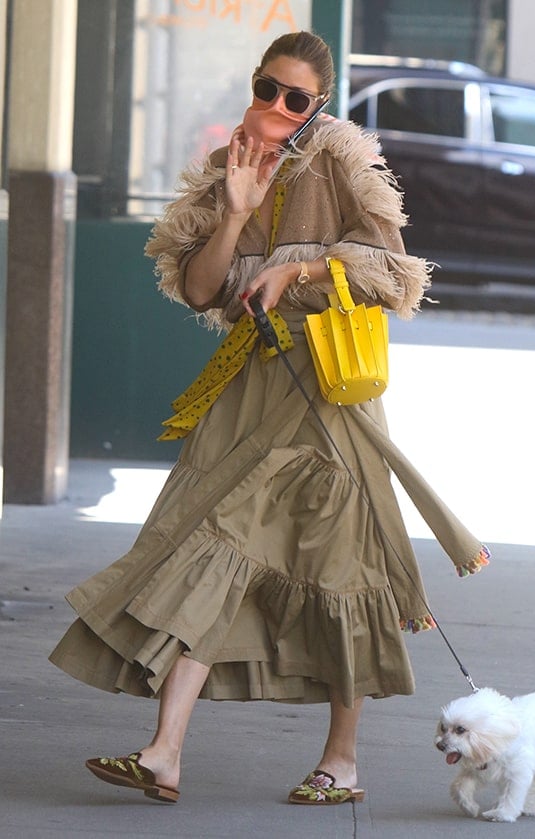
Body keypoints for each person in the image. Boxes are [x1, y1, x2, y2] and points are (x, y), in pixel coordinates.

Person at [49, 30, 489, 806]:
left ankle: (342, 762)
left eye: (296, 97)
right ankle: (165, 750)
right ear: (254, 85)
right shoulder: (227, 171)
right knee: (205, 546)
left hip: (329, 395)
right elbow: (199, 289)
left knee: (340, 570)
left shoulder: (343, 159)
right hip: (251, 391)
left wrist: (301, 265)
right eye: (268, 88)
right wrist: (234, 215)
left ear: (318, 104)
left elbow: (395, 271)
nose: (278, 107)